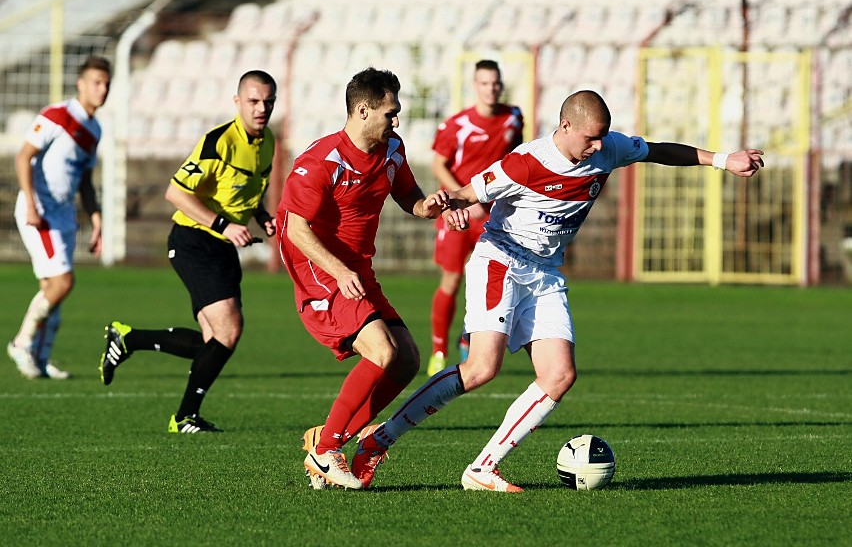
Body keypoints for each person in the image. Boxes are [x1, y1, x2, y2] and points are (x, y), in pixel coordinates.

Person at [352, 89, 765, 492]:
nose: (599, 145)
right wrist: (453, 208)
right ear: (566, 126)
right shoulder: (526, 162)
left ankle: (483, 467)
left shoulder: (608, 149)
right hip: (502, 263)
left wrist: (724, 160)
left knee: (559, 375)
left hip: (546, 273)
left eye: (604, 136)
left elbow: (658, 150)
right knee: (480, 369)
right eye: (591, 137)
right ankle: (378, 441)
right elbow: (466, 193)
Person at [277, 67, 445, 490]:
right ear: (363, 110)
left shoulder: (392, 149)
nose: (396, 121)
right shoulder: (321, 161)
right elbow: (295, 229)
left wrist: (428, 207)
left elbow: (407, 195)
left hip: (357, 269)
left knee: (406, 359)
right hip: (319, 269)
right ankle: (327, 450)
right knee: (382, 351)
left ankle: (330, 437)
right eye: (390, 113)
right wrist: (337, 269)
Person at [99, 70, 278, 434]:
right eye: (254, 101)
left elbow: (251, 189)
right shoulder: (219, 142)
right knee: (229, 331)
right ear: (237, 102)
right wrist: (223, 225)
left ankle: (130, 340)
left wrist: (261, 216)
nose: (261, 108)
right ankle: (183, 417)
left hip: (222, 245)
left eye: (268, 102)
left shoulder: (268, 141)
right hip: (194, 241)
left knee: (213, 342)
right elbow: (176, 193)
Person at [7, 56, 111, 380]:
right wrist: (31, 204)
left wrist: (96, 218)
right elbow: (24, 156)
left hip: (64, 213)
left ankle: (40, 357)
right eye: (96, 82)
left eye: (107, 84)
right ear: (80, 84)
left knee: (53, 289)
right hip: (41, 210)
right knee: (63, 282)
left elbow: (84, 179)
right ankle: (21, 343)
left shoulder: (94, 129)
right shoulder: (58, 115)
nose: (102, 89)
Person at [427, 59, 524, 377]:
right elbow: (439, 165)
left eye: (496, 83)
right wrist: (462, 196)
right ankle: (438, 351)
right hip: (457, 212)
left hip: (491, 214)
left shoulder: (512, 117)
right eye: (485, 83)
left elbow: (516, 158)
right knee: (452, 280)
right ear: (475, 86)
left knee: (491, 278)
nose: (491, 89)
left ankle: (470, 337)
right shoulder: (457, 125)